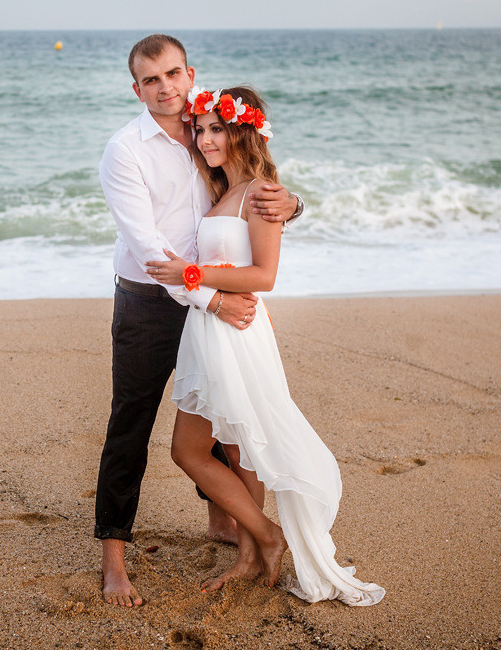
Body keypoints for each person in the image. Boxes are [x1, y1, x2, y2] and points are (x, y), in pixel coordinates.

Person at [145, 86, 385, 606]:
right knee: (198, 450)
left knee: (234, 448)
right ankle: (262, 541)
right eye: (201, 128)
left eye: (217, 128)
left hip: (239, 331)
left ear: (241, 130)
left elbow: (264, 275)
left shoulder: (260, 192)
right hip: (209, 329)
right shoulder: (219, 192)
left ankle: (257, 548)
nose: (206, 138)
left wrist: (189, 272)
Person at [96, 35, 302, 608]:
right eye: (151, 80)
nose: (166, 88)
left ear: (191, 74)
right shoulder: (126, 150)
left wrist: (292, 204)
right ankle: (114, 558)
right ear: (135, 89)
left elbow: (247, 193)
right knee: (130, 427)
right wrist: (210, 299)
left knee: (223, 421)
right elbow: (148, 248)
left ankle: (227, 526)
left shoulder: (207, 130)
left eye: (173, 74)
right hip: (150, 301)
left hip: (215, 299)